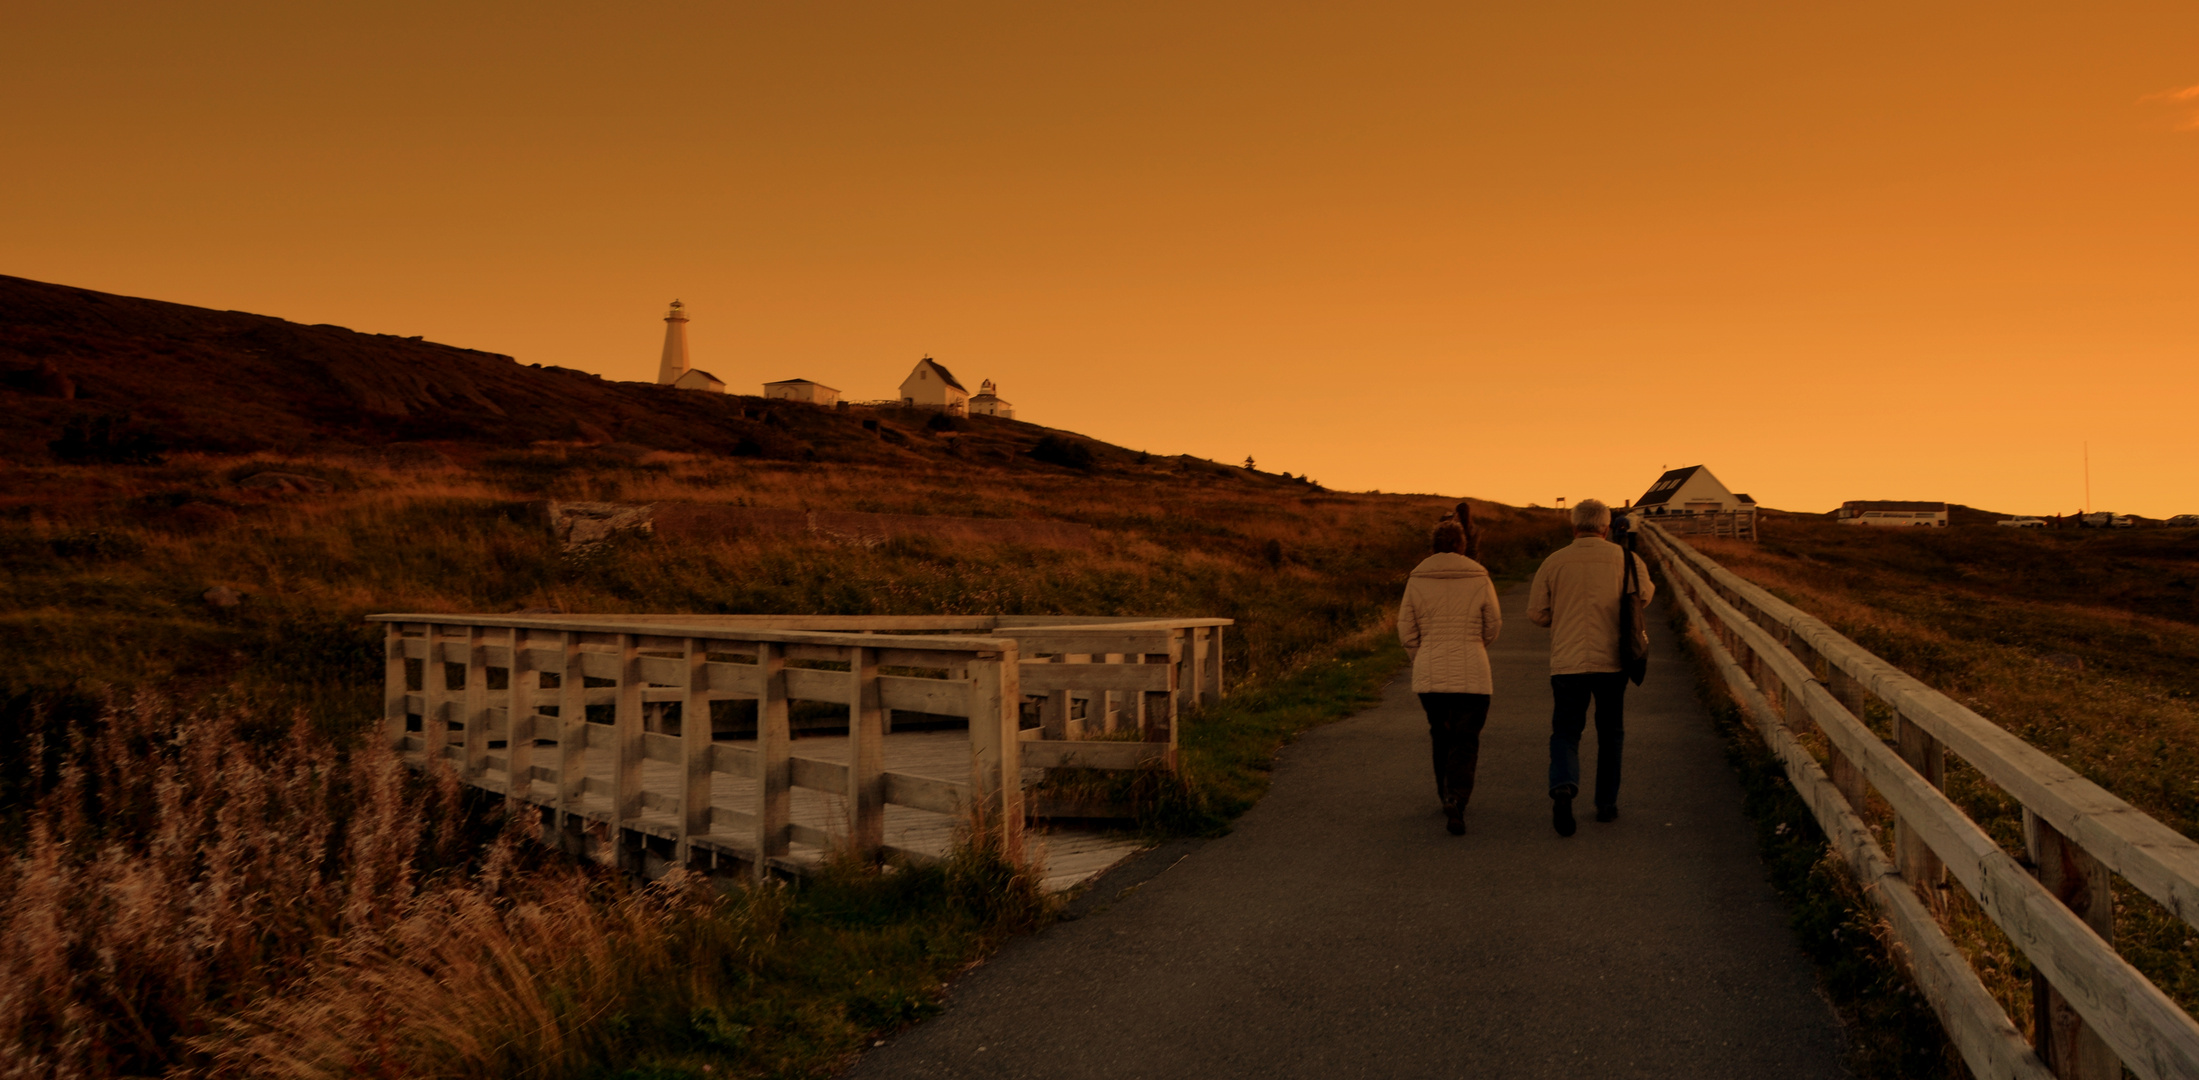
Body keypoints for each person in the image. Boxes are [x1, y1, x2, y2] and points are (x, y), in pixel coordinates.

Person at [1527, 498, 1654, 837]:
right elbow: (1645, 597)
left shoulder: (1554, 562)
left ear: (1574, 527)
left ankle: (1564, 786)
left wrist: (1563, 614)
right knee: (1611, 732)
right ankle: (1606, 804)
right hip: (1613, 661)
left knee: (1566, 731)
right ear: (1606, 527)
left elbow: (1537, 613)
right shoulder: (1627, 559)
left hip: (1567, 663)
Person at [1398, 515, 1503, 835]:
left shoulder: (1417, 578)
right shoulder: (1479, 576)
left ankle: (1445, 792)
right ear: (1463, 544)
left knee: (1440, 732)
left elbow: (1406, 630)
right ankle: (1457, 797)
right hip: (1473, 674)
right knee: (1466, 738)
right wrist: (1475, 646)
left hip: (1430, 674)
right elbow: (1493, 625)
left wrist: (1423, 656)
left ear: (1433, 545)